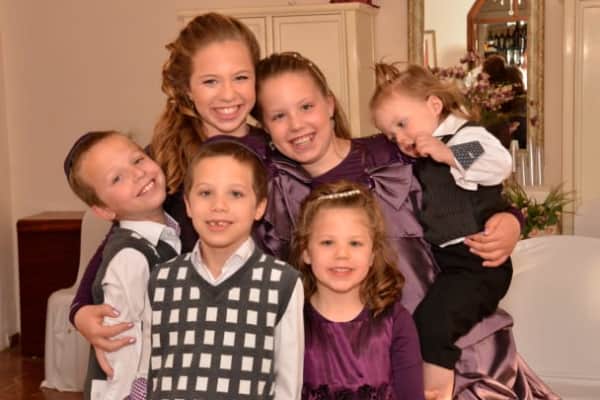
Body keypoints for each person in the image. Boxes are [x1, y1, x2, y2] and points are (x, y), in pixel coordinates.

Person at [253, 51, 558, 399]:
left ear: (330, 104)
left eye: (306, 106)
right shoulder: (278, 191)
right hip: (353, 368)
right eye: (278, 115)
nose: (296, 124)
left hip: (450, 345)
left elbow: (478, 180)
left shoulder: (396, 150)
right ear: (265, 127)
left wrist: (511, 219)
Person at [68, 12, 272, 376]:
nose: (229, 94)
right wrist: (81, 309)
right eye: (210, 81)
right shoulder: (162, 158)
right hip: (190, 341)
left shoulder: (276, 150)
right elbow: (122, 236)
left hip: (264, 328)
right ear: (186, 88)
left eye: (241, 77)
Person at [370, 62, 514, 400]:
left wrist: (449, 153)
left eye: (402, 124)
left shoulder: (466, 136)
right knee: (423, 325)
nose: (400, 138)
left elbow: (499, 162)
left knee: (433, 327)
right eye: (391, 135)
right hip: (451, 263)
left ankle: (436, 393)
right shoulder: (424, 150)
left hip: (477, 262)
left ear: (434, 105)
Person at [146, 139, 303, 399]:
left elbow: (288, 385)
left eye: (236, 194)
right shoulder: (162, 279)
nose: (219, 205)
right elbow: (148, 369)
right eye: (206, 193)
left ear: (259, 207)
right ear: (188, 205)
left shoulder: (281, 282)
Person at [63, 131, 181, 400]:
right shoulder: (130, 258)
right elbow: (123, 343)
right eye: (117, 178)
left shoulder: (167, 236)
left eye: (138, 160)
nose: (138, 174)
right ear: (105, 210)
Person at [289, 180, 424, 399]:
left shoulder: (396, 322)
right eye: (327, 242)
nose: (342, 254)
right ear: (305, 251)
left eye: (355, 243)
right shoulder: (289, 321)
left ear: (372, 254)